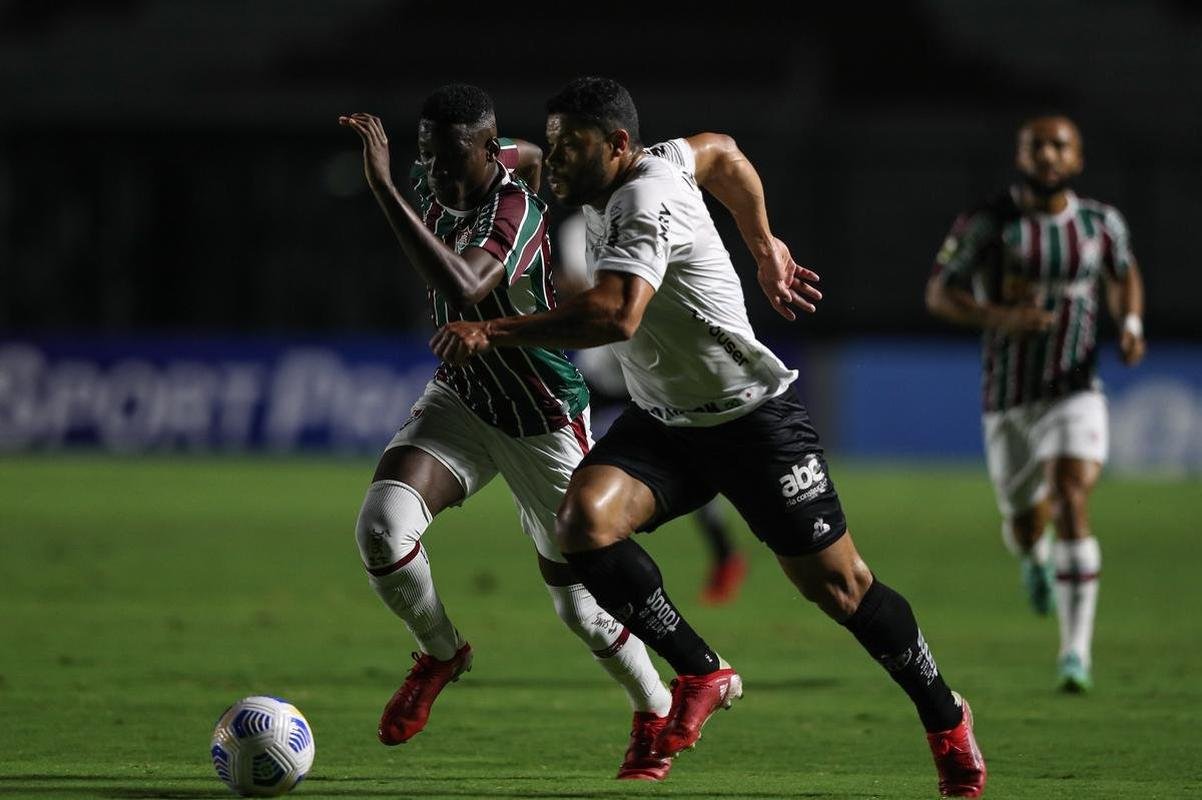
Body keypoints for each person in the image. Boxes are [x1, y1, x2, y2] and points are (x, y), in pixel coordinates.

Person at [430, 76, 987, 797]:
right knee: (582, 523)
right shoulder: (649, 164)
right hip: (668, 422)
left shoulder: (642, 198)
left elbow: (616, 316)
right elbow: (722, 153)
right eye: (557, 142)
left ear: (619, 146)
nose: (557, 160)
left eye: (573, 147)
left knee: (842, 590)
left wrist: (491, 330)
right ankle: (701, 670)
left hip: (751, 419)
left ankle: (945, 717)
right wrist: (764, 245)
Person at [339, 83, 678, 782]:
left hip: (541, 417)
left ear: (486, 150)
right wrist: (514, 152)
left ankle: (654, 708)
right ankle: (440, 653)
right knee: (380, 527)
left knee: (580, 612)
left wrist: (384, 189)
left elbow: (467, 286)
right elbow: (509, 156)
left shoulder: (518, 210)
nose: (433, 170)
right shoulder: (438, 181)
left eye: (450, 156)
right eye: (426, 154)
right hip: (464, 401)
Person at [926, 115, 1146, 692]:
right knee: (1026, 524)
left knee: (1071, 494)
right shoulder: (988, 223)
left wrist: (1129, 322)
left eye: (1060, 146)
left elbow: (1124, 275)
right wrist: (997, 316)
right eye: (1038, 146)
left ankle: (1075, 654)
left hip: (1076, 387)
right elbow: (939, 293)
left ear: (1077, 158)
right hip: (1008, 396)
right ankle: (1033, 558)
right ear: (1021, 156)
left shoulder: (1101, 223)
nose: (1049, 156)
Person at [556, 212, 749, 606]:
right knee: (561, 434)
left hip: (651, 364)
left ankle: (725, 555)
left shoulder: (646, 213)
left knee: (692, 458)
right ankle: (581, 548)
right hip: (606, 363)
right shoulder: (576, 229)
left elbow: (589, 290)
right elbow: (585, 290)